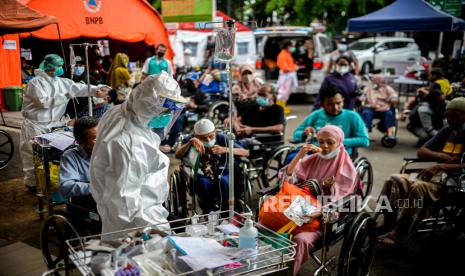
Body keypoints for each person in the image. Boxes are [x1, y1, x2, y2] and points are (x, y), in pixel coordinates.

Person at [90, 71, 187, 235]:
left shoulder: (122, 112)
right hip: (138, 222)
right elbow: (123, 202)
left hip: (138, 211)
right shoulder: (128, 142)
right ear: (148, 106)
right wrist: (148, 230)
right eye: (164, 112)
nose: (169, 116)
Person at [376, 97, 465, 247]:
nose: (450, 119)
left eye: (454, 115)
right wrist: (441, 157)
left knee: (418, 187)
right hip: (433, 175)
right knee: (394, 180)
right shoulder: (447, 130)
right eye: (447, 115)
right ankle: (389, 222)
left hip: (454, 182)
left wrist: (440, 166)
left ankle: (400, 233)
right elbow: (422, 150)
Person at [20, 54, 109, 192]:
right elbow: (43, 102)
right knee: (32, 154)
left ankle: (50, 181)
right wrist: (67, 95)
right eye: (58, 66)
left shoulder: (63, 82)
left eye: (61, 65)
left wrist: (97, 90)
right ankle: (32, 184)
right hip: (35, 124)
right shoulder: (35, 83)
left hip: (54, 124)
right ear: (49, 66)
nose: (61, 68)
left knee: (52, 154)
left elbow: (80, 88)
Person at [283, 125, 358, 275]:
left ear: (339, 143)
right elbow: (288, 178)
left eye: (330, 142)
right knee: (266, 224)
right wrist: (300, 154)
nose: (324, 146)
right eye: (321, 141)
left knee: (301, 240)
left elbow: (340, 201)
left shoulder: (346, 169)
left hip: (322, 218)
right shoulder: (311, 159)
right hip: (298, 207)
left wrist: (316, 213)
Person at [175, 119, 249, 214]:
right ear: (196, 136)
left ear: (215, 132)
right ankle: (209, 212)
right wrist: (190, 143)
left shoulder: (222, 138)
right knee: (204, 183)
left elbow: (246, 152)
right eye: (203, 138)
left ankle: (228, 211)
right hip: (201, 172)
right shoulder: (191, 139)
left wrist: (225, 149)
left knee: (224, 181)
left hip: (223, 169)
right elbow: (177, 155)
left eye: (211, 136)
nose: (208, 140)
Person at [293, 86, 369, 156]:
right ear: (322, 104)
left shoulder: (352, 116)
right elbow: (296, 134)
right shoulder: (316, 115)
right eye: (330, 104)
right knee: (292, 158)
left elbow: (364, 140)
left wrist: (336, 142)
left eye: (338, 103)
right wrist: (305, 134)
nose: (335, 107)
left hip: (340, 154)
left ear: (343, 101)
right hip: (315, 152)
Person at [58, 116, 98, 199]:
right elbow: (66, 187)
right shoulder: (70, 157)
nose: (102, 140)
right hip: (87, 203)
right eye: (95, 138)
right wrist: (98, 188)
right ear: (80, 142)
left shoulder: (109, 152)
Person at [360, 74, 398, 140]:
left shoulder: (387, 88)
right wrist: (362, 98)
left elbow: (394, 97)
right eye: (374, 80)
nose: (376, 81)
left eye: (378, 80)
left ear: (382, 80)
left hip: (384, 108)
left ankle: (390, 134)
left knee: (389, 114)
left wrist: (390, 102)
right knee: (366, 113)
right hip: (370, 107)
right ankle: (365, 134)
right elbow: (362, 97)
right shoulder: (368, 88)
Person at [277, 41, 298, 115]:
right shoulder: (282, 55)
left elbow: (290, 65)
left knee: (286, 93)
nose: (293, 48)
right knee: (282, 93)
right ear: (287, 46)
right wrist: (294, 68)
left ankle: (283, 107)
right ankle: (279, 109)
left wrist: (294, 67)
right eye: (292, 46)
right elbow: (285, 68)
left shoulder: (287, 54)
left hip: (289, 76)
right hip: (285, 76)